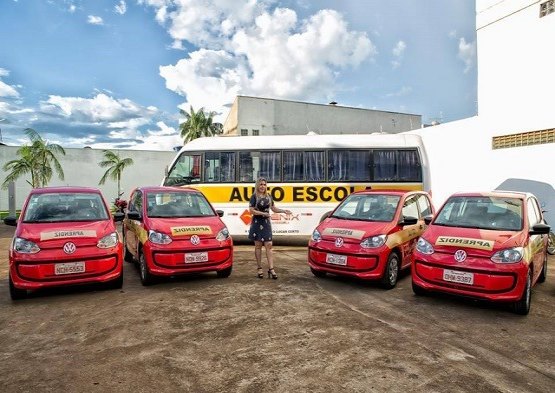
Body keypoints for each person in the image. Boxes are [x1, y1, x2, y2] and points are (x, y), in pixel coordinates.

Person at [248, 177, 292, 279]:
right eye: (261, 184)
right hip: (257, 223)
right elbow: (251, 210)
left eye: (264, 184)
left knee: (269, 245)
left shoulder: (269, 196)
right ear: (257, 185)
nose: (263, 186)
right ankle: (259, 268)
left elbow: (273, 208)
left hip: (266, 223)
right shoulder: (254, 196)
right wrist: (263, 213)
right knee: (258, 246)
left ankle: (271, 269)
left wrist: (283, 211)